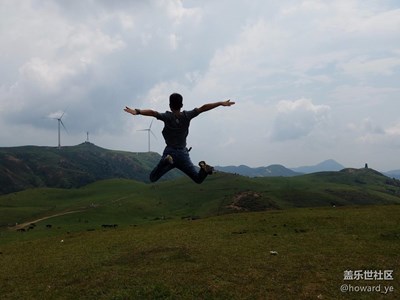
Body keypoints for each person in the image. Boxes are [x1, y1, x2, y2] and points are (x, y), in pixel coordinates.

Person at [124, 93, 235, 184]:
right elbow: (203, 108)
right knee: (198, 179)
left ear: (170, 105)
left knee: (153, 177)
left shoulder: (166, 116)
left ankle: (165, 161)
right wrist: (220, 103)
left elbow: (153, 113)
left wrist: (137, 111)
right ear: (181, 105)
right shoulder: (188, 115)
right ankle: (204, 169)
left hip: (170, 152)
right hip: (183, 154)